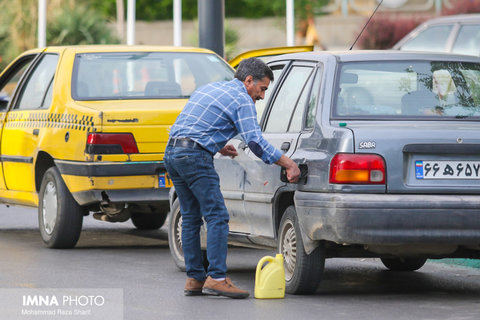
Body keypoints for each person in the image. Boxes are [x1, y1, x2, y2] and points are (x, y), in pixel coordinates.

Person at [164, 57, 300, 299]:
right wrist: (288, 162)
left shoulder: (210, 88)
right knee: (217, 215)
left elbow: (194, 125)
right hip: (194, 156)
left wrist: (217, 145)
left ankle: (195, 278)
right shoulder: (242, 99)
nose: (261, 96)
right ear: (248, 81)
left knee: (191, 216)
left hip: (173, 152)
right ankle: (217, 278)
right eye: (262, 89)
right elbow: (255, 142)